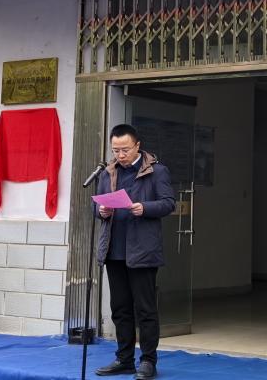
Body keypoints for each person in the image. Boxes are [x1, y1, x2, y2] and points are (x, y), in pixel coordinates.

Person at [94, 124, 175, 380]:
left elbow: (168, 203)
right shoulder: (107, 173)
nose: (120, 155)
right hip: (114, 250)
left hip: (142, 251)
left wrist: (145, 208)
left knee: (145, 309)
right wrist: (101, 211)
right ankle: (124, 359)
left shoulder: (156, 171)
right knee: (120, 309)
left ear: (137, 146)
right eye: (115, 150)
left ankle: (148, 361)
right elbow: (96, 207)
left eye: (125, 150)